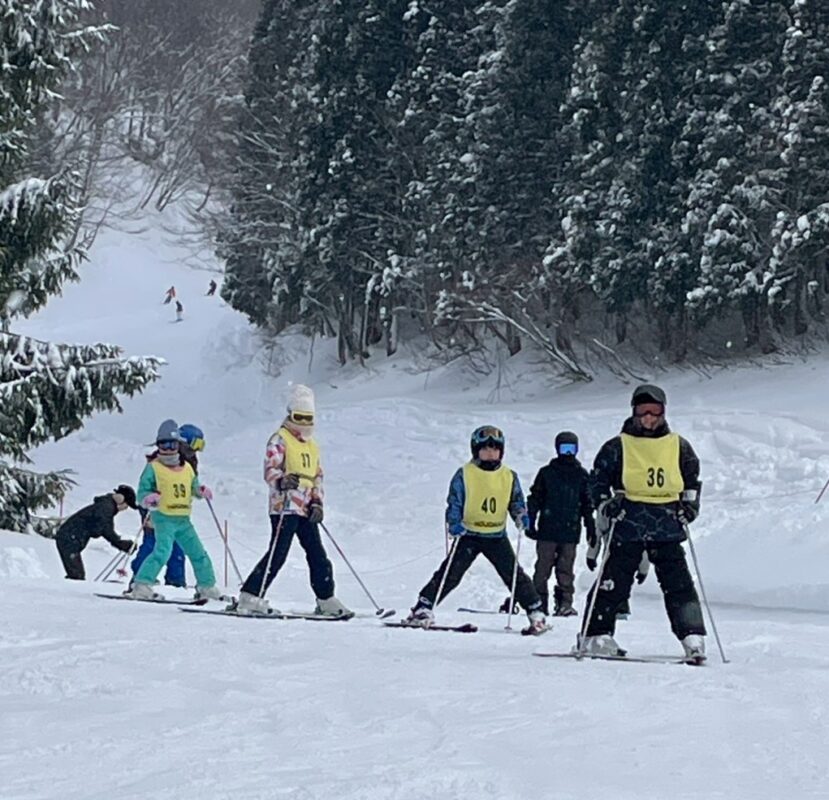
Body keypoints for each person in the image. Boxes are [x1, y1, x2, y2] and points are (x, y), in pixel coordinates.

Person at [578, 384, 706, 660]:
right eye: (643, 411)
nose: (649, 417)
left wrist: (690, 507)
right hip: (629, 522)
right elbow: (597, 481)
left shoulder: (679, 446)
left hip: (667, 523)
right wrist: (606, 503)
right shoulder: (618, 445)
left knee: (679, 584)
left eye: (655, 411)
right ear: (634, 412)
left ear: (663, 412)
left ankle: (692, 634)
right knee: (613, 581)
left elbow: (691, 481)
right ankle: (595, 633)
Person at [405, 425, 548, 635]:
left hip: (496, 536)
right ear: (476, 450)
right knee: (451, 574)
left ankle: (536, 612)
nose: (490, 453)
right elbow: (455, 502)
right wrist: (454, 523)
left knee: (513, 575)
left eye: (495, 449)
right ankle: (423, 607)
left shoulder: (508, 475)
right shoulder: (465, 474)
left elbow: (516, 501)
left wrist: (520, 516)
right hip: (469, 534)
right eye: (485, 449)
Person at [233, 385, 352, 617]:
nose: (303, 424)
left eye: (308, 418)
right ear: (290, 415)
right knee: (278, 553)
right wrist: (281, 480)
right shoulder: (280, 439)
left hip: (305, 508)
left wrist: (317, 502)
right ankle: (250, 594)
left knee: (317, 554)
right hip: (284, 506)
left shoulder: (312, 445)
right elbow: (270, 469)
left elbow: (317, 476)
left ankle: (326, 597)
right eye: (299, 418)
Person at [126, 419, 222, 601]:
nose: (169, 449)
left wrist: (200, 491)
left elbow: (192, 485)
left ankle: (206, 586)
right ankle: (141, 584)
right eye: (164, 445)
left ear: (179, 444)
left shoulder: (187, 466)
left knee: (198, 553)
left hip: (183, 519)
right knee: (161, 551)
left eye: (173, 444)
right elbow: (142, 492)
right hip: (163, 517)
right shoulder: (154, 467)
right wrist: (148, 499)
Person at [524, 431, 595, 617]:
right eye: (564, 449)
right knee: (542, 569)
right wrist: (530, 520)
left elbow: (587, 504)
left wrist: (590, 526)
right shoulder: (547, 473)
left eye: (571, 449)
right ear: (557, 449)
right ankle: (539, 603)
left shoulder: (581, 475)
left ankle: (565, 603)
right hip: (548, 531)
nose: (568, 453)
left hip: (570, 532)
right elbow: (535, 498)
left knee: (566, 570)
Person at [55, 486, 137, 579]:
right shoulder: (105, 508)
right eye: (127, 504)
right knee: (76, 575)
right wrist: (121, 544)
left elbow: (102, 529)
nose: (125, 508)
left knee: (76, 574)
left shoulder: (106, 505)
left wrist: (120, 543)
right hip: (69, 538)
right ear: (120, 499)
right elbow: (106, 529)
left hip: (70, 537)